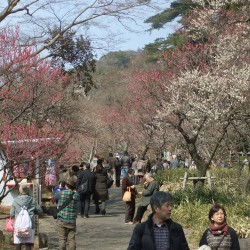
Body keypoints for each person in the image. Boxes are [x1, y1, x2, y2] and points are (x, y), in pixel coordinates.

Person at [10, 183, 43, 250]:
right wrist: (34, 212)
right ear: (28, 190)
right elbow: (40, 211)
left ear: (20, 190)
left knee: (18, 244)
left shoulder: (15, 200)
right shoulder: (33, 200)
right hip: (29, 226)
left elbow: (11, 214)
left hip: (18, 226)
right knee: (28, 245)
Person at [57, 175, 79, 250]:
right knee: (71, 239)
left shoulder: (60, 193)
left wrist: (60, 187)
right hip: (72, 219)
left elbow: (55, 196)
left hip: (62, 219)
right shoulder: (76, 195)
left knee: (62, 238)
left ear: (66, 185)